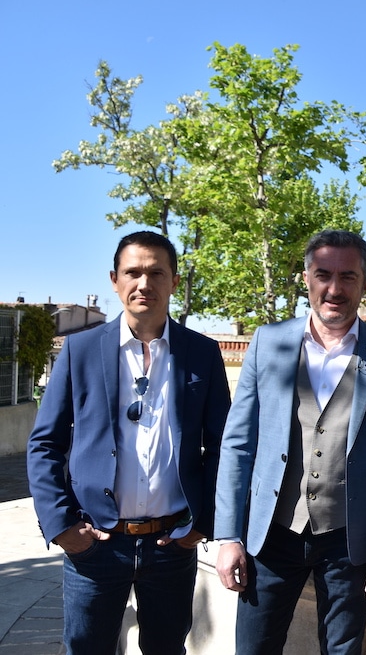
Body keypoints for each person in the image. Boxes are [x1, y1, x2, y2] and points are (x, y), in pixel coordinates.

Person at [27, 231, 231, 655]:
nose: (144, 283)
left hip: (171, 544)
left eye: (156, 273)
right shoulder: (80, 351)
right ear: (114, 280)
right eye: (133, 272)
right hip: (95, 544)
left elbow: (222, 446)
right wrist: (62, 526)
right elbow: (45, 443)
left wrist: (203, 524)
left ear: (174, 281)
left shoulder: (202, 353)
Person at [214, 229, 366, 655]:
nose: (334, 289)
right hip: (272, 534)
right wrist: (228, 536)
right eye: (323, 275)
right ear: (307, 279)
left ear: (365, 282)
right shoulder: (268, 343)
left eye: (348, 276)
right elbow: (238, 445)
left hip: (348, 541)